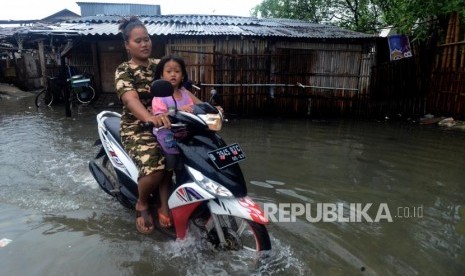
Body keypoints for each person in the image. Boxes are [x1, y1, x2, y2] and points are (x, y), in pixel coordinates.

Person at [114, 16, 172, 234]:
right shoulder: (124, 70)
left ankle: (167, 203)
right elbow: (130, 99)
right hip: (137, 127)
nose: (144, 44)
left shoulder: (160, 66)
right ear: (127, 45)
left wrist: (205, 106)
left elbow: (181, 88)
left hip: (166, 123)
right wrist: (148, 117)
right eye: (138, 41)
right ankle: (142, 203)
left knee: (177, 159)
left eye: (146, 39)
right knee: (157, 167)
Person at [151, 55, 203, 171]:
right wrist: (178, 112)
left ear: (183, 75)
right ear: (161, 75)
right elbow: (160, 115)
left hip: (185, 140)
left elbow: (193, 108)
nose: (173, 74)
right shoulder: (159, 97)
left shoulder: (185, 94)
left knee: (184, 169)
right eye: (169, 71)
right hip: (167, 141)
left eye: (177, 71)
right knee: (168, 169)